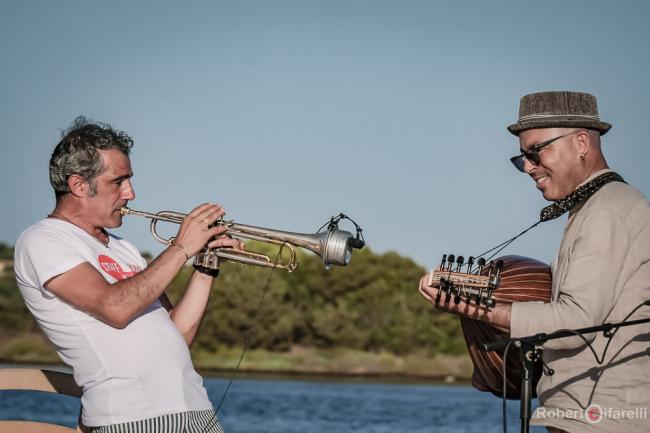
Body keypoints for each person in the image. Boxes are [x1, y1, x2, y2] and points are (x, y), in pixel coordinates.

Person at [419, 91, 650, 432]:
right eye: (522, 158)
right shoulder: (594, 209)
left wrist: (475, 310)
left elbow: (575, 322)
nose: (528, 166)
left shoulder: (608, 211)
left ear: (581, 143)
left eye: (535, 152)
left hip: (602, 418)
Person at [14, 117, 243, 432]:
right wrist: (181, 247)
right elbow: (115, 308)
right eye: (118, 181)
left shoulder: (124, 249)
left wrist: (205, 265)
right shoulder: (43, 239)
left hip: (196, 411)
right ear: (79, 185)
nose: (130, 193)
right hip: (129, 417)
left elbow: (178, 335)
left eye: (129, 180)